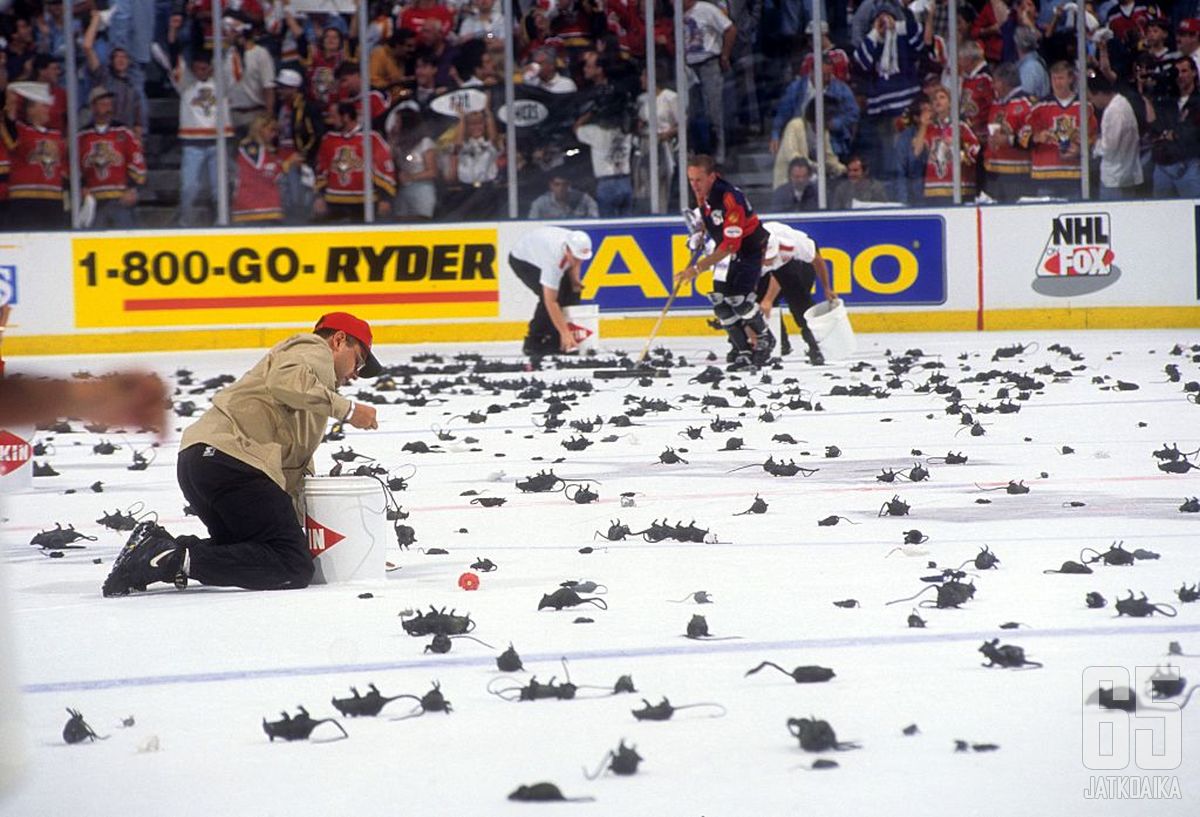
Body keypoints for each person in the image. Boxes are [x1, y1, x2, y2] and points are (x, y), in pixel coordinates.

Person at [101, 312, 383, 597]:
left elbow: (294, 470)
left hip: (203, 462)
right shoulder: (313, 349)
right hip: (233, 463)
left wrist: (345, 554)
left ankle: (157, 551)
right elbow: (285, 381)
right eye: (358, 361)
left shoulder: (313, 394)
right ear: (338, 340)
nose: (355, 374)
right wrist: (349, 410)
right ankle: (168, 558)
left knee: (254, 553)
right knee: (293, 564)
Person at [676, 154, 774, 371]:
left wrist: (697, 268)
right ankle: (743, 350)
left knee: (740, 301)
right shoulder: (704, 194)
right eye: (690, 180)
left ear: (712, 176)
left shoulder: (730, 198)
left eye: (698, 180)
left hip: (748, 249)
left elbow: (731, 245)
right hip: (727, 250)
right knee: (721, 305)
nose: (694, 185)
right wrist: (701, 231)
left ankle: (765, 338)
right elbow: (711, 221)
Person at [757, 220, 836, 365]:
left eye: (770, 259)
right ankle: (778, 343)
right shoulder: (747, 252)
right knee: (757, 300)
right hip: (765, 258)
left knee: (799, 300)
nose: (768, 263)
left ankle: (816, 346)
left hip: (798, 263)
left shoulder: (793, 246)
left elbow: (816, 260)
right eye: (765, 259)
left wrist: (827, 288)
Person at [508, 227, 593, 357]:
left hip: (540, 248)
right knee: (550, 297)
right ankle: (534, 342)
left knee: (569, 291)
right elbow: (551, 301)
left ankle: (557, 339)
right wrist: (565, 333)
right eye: (576, 258)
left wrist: (575, 281)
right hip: (523, 260)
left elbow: (576, 261)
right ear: (567, 250)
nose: (579, 261)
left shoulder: (574, 246)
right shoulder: (554, 260)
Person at [313, 101, 396, 221]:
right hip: (333, 202)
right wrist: (319, 197)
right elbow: (321, 169)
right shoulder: (328, 139)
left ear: (346, 117)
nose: (330, 121)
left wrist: (385, 199)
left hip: (364, 203)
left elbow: (386, 168)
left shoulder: (371, 138)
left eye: (334, 117)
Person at [78, 85, 147, 229]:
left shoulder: (123, 132)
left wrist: (133, 189)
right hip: (93, 201)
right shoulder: (82, 136)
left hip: (120, 198)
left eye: (109, 103)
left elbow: (137, 162)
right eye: (103, 104)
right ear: (93, 107)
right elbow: (73, 167)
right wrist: (81, 187)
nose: (108, 107)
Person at [1027, 61, 1096, 198]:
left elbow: (1093, 137)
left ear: (1070, 79)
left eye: (1061, 78)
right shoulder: (1039, 107)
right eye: (1054, 78)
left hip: (1074, 174)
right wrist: (1037, 137)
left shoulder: (1084, 106)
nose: (1057, 83)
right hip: (1045, 175)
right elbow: (1023, 134)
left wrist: (1080, 150)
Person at [1089, 72, 1143, 198]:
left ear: (1100, 93)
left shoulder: (1114, 111)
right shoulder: (1122, 102)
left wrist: (1093, 144)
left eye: (1091, 98)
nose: (1092, 102)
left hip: (1115, 178)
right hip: (1124, 174)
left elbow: (1109, 147)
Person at [528, 173, 600, 219]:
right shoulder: (540, 203)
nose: (561, 188)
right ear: (551, 186)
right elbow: (531, 224)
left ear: (569, 185)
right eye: (557, 185)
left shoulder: (583, 199)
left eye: (564, 184)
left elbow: (595, 218)